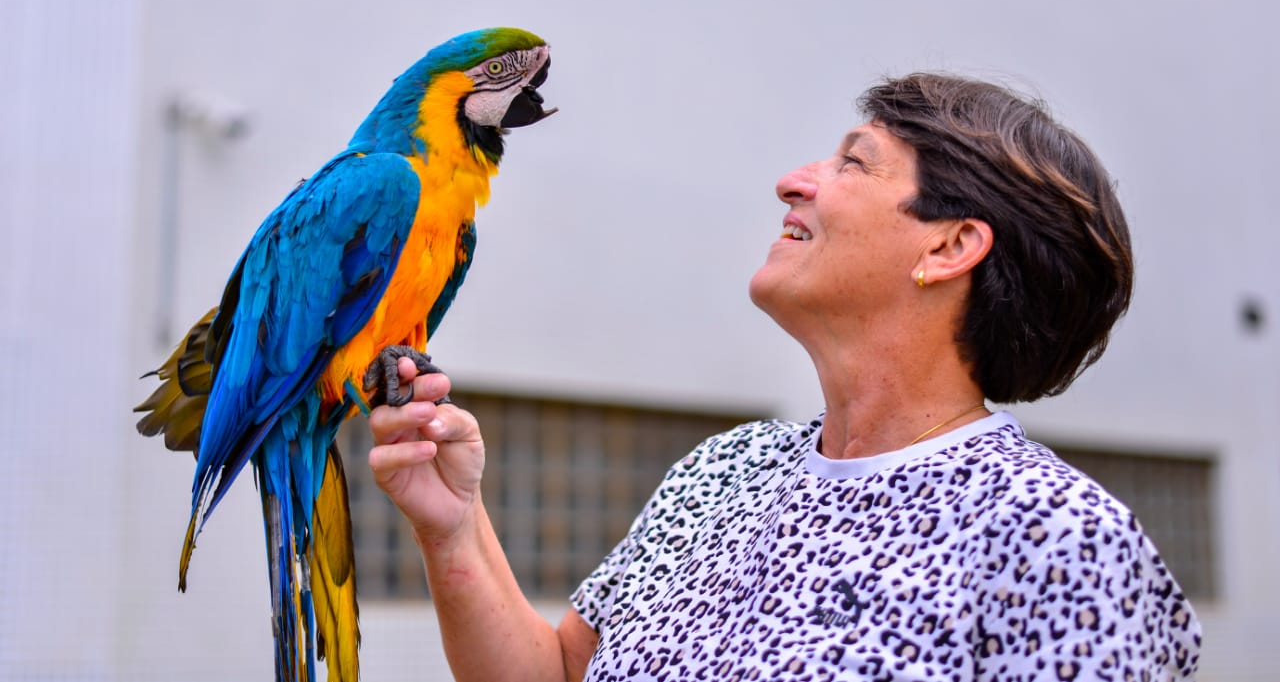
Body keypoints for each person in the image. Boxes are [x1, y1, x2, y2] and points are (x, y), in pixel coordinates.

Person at [367, 73, 1202, 681]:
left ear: (950, 246)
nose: (794, 181)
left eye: (854, 164)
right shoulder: (724, 470)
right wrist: (456, 527)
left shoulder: (1058, 538)